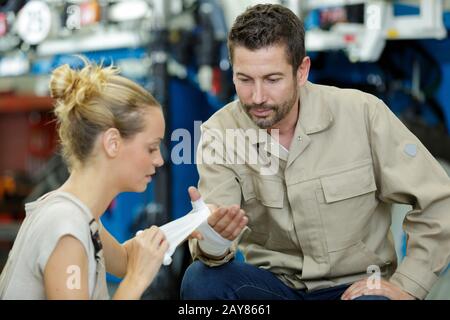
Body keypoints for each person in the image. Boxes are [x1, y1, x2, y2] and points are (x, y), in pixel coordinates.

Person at [181, 4, 450, 300]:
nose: (257, 96)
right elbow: (214, 241)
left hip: (357, 289)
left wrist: (407, 287)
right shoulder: (220, 133)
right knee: (202, 281)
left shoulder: (362, 114)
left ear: (302, 71)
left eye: (272, 79)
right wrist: (215, 239)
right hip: (276, 290)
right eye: (245, 79)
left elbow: (438, 201)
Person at [0, 59, 171, 299]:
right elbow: (132, 272)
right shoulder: (66, 228)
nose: (159, 160)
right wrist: (137, 281)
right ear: (112, 143)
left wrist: (194, 223)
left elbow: (125, 261)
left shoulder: (80, 216)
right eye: (151, 148)